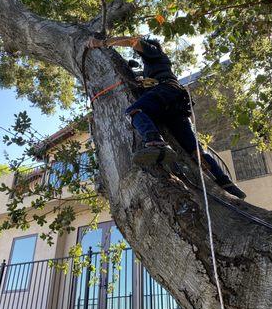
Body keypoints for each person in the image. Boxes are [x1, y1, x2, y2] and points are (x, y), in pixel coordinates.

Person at [87, 36, 246, 199]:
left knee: (134, 111)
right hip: (173, 104)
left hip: (166, 92)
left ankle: (155, 141)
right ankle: (225, 182)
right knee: (193, 149)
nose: (139, 54)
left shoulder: (154, 52)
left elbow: (132, 41)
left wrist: (101, 43)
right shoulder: (154, 67)